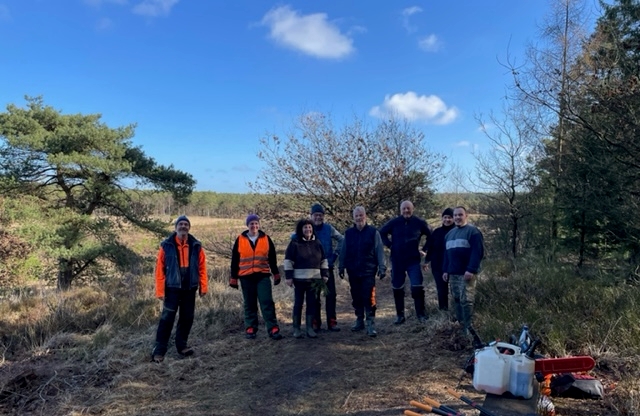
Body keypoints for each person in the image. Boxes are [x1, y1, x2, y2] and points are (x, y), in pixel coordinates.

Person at [152, 215, 208, 363]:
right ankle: (159, 351)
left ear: (189, 228)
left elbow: (202, 267)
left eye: (186, 224)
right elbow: (159, 270)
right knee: (167, 319)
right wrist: (160, 291)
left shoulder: (196, 245)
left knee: (187, 318)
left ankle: (182, 346)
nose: (183, 226)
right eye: (181, 224)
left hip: (190, 288)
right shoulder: (166, 245)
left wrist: (203, 286)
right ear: (176, 227)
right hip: (172, 289)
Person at [229, 214, 283, 340]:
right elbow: (235, 260)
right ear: (247, 225)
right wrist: (233, 277)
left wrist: (276, 274)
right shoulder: (240, 239)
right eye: (251, 223)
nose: (254, 226)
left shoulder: (266, 239)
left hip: (262, 275)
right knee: (249, 303)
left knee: (267, 302)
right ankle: (251, 328)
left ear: (259, 225)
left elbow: (272, 258)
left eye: (256, 223)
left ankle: (273, 328)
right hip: (245, 277)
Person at [379, 200, 431, 324]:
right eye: (404, 209)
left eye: (408, 208)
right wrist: (390, 245)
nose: (406, 211)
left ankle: (420, 314)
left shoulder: (419, 222)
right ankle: (400, 316)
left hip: (413, 260)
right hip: (397, 260)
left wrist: (424, 249)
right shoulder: (394, 222)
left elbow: (431, 235)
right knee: (397, 288)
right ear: (401, 210)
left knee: (417, 287)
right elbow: (381, 232)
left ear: (412, 209)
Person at [338, 206, 387, 337]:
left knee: (369, 296)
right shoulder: (348, 233)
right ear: (353, 218)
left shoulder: (373, 232)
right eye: (356, 216)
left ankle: (370, 322)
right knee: (356, 296)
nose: (359, 218)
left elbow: (379, 251)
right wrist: (341, 266)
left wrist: (382, 267)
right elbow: (343, 251)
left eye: (361, 215)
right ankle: (359, 319)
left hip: (368, 270)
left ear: (365, 216)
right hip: (353, 270)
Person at [442, 206, 485, 337]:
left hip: (467, 273)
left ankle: (469, 329)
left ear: (466, 216)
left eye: (460, 215)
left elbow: (477, 253)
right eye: (455, 215)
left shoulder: (473, 232)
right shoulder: (449, 234)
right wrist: (445, 270)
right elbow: (446, 254)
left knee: (467, 300)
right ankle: (461, 325)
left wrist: (471, 269)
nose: (457, 217)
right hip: (453, 273)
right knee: (457, 299)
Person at [284, 218, 329, 339]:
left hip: (314, 280)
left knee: (312, 303)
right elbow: (288, 261)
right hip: (299, 280)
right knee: (298, 304)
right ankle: (296, 329)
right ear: (301, 229)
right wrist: (289, 277)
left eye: (309, 227)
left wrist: (325, 275)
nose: (308, 229)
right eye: (305, 227)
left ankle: (309, 328)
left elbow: (324, 260)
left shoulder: (317, 243)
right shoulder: (294, 243)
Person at [308, 203, 344, 332]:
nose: (318, 217)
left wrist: (335, 255)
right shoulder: (307, 228)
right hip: (312, 270)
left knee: (331, 295)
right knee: (314, 296)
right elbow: (294, 238)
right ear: (311, 216)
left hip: (327, 267)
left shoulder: (329, 229)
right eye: (315, 215)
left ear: (323, 216)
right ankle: (316, 321)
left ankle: (332, 321)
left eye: (320, 215)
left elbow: (342, 239)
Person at [424, 208, 455, 311]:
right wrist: (426, 261)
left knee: (456, 290)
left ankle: (457, 312)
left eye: (450, 217)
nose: (447, 220)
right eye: (445, 217)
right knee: (442, 290)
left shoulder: (457, 231)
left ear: (453, 218)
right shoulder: (437, 232)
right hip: (438, 265)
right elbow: (431, 247)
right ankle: (444, 312)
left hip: (454, 266)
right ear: (442, 218)